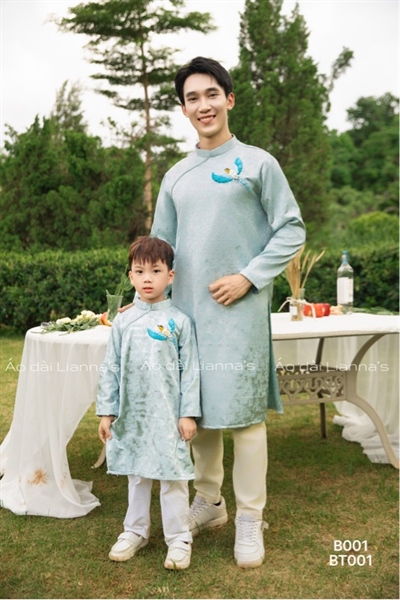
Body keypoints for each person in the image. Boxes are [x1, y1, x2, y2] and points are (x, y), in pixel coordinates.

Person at [150, 56, 306, 569]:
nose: (203, 105)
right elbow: (161, 249)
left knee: (244, 416)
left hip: (240, 311)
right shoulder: (175, 176)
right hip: (188, 314)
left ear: (229, 99)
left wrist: (248, 276)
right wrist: (147, 304)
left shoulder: (258, 164)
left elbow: (291, 229)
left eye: (211, 94)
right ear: (183, 109)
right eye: (192, 98)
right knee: (198, 413)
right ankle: (210, 503)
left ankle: (250, 518)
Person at [96, 236, 201, 570]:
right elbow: (110, 368)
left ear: (170, 276)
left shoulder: (180, 322)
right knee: (137, 474)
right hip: (133, 415)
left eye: (156, 271)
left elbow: (191, 372)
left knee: (173, 476)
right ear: (130, 277)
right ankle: (135, 531)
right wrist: (107, 412)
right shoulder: (123, 322)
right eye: (139, 271)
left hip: (170, 415)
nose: (147, 278)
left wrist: (188, 414)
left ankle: (179, 538)